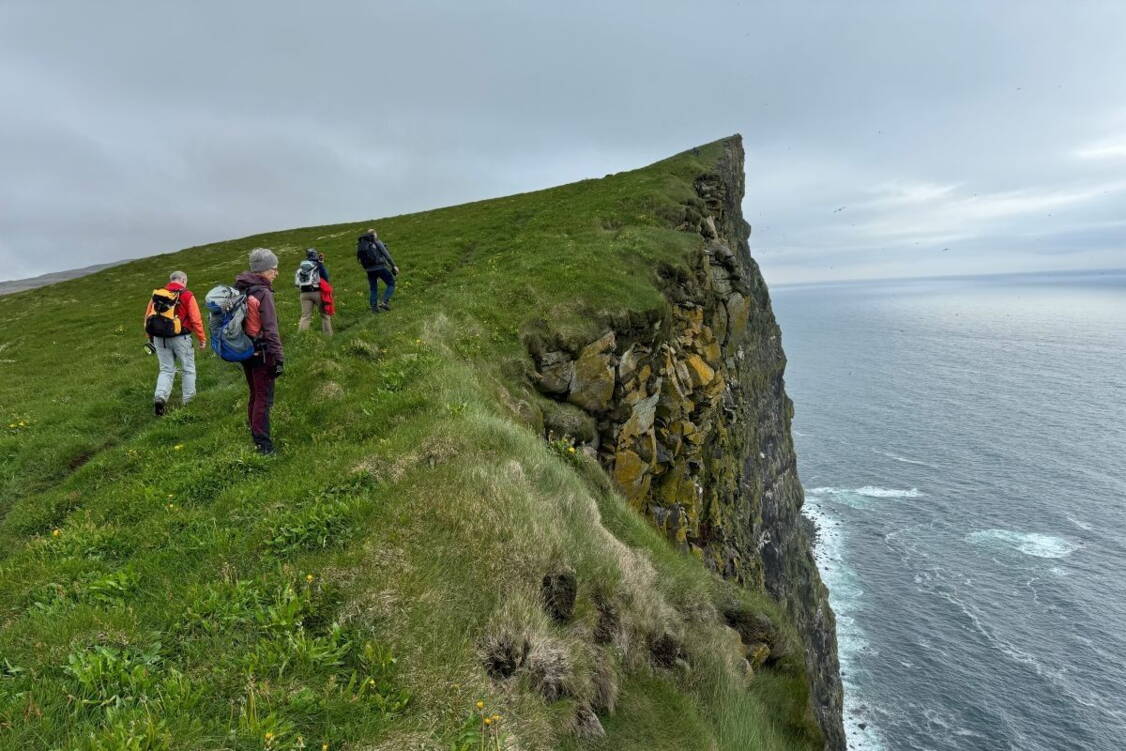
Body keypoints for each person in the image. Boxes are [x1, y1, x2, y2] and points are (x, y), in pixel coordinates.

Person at [235, 248, 285, 454]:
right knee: (264, 398)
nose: (276, 273)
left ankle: (255, 433)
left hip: (246, 350)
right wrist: (279, 357)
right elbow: (271, 329)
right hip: (263, 352)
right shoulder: (263, 293)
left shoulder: (242, 288)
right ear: (264, 270)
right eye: (274, 268)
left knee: (255, 394)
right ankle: (263, 445)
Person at [144, 270, 207, 416]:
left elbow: (147, 317)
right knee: (188, 369)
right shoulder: (187, 295)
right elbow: (196, 319)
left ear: (171, 280)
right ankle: (189, 402)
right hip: (181, 338)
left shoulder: (157, 294)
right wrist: (202, 339)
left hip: (159, 338)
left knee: (166, 370)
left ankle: (160, 398)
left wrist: (150, 337)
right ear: (183, 280)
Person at [356, 229, 399, 312]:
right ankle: (384, 302)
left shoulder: (362, 244)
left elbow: (361, 260)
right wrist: (394, 266)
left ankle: (374, 309)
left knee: (373, 289)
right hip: (380, 267)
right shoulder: (377, 242)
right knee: (391, 283)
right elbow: (387, 255)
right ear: (374, 234)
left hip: (369, 270)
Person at [296, 247, 333, 335]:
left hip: (304, 294)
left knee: (305, 316)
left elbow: (297, 283)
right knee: (324, 315)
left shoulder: (301, 267)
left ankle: (302, 337)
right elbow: (326, 278)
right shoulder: (318, 265)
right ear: (315, 255)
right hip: (317, 292)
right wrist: (321, 264)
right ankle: (328, 336)